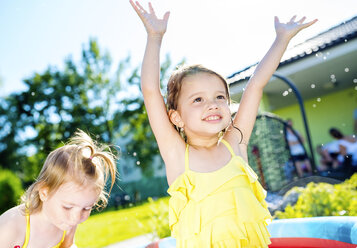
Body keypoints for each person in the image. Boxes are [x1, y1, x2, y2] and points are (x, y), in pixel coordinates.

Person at [130, 1, 316, 247]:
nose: (213, 104)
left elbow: (256, 85)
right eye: (198, 99)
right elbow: (151, 91)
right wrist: (154, 36)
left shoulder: (235, 143)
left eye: (220, 97)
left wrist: (281, 39)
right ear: (176, 118)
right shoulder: (177, 155)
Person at [0, 129, 116, 248]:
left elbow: (68, 246)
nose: (76, 217)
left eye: (87, 208)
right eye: (67, 207)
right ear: (44, 192)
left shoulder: (67, 221)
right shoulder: (12, 227)